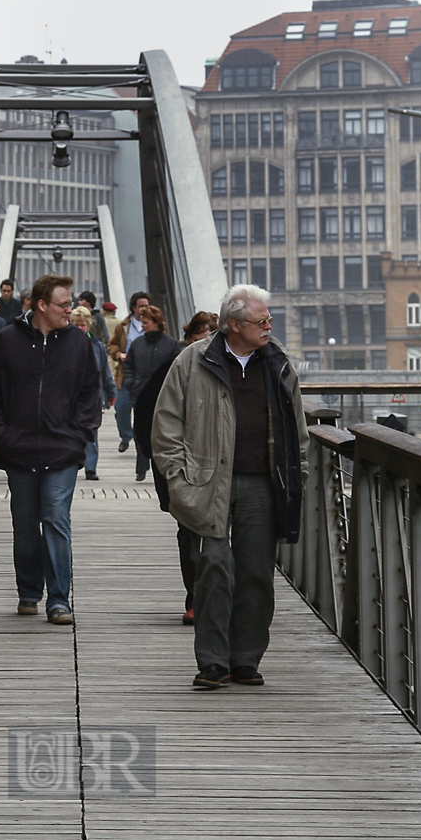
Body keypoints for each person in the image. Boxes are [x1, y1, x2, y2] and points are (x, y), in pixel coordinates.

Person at [152, 285, 308, 689]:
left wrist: (297, 475)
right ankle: (212, 661)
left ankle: (245, 658)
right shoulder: (192, 360)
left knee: (257, 573)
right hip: (206, 484)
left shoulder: (278, 364)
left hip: (262, 485)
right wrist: (178, 481)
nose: (269, 327)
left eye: (269, 320)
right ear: (234, 325)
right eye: (262, 321)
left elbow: (298, 431)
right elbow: (166, 425)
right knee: (213, 569)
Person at [0, 274, 101, 626]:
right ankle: (29, 592)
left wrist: (79, 434)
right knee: (26, 526)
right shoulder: (7, 341)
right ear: (42, 305)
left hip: (63, 450)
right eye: (64, 304)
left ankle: (59, 601)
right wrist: (4, 435)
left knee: (57, 520)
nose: (70, 309)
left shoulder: (78, 343)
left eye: (71, 302)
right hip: (20, 452)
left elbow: (89, 394)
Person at [133, 311, 217, 626]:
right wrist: (160, 460)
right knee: (190, 534)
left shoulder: (237, 370)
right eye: (197, 341)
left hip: (222, 466)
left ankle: (216, 596)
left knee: (219, 536)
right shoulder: (174, 369)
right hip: (185, 467)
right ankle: (196, 598)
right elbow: (146, 413)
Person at [122, 305, 179, 483]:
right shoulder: (138, 344)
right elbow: (129, 365)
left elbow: (176, 368)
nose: (142, 326)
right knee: (140, 430)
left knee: (160, 431)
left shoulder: (170, 345)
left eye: (145, 322)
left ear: (156, 323)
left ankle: (157, 465)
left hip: (163, 395)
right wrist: (131, 382)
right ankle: (141, 466)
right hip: (139, 394)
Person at [71, 305, 117, 481]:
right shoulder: (64, 344)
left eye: (83, 325)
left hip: (92, 396)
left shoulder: (97, 346)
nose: (80, 328)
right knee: (72, 431)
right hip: (71, 395)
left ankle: (91, 467)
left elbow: (105, 371)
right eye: (76, 325)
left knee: (92, 432)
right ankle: (73, 462)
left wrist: (111, 392)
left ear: (88, 325)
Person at [106, 290, 150, 453]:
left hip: (145, 377)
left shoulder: (153, 325)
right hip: (126, 374)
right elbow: (112, 345)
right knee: (122, 407)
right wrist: (119, 354)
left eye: (147, 305)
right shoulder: (123, 326)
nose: (144, 309)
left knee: (143, 411)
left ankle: (141, 441)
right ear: (133, 307)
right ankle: (126, 435)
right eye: (141, 306)